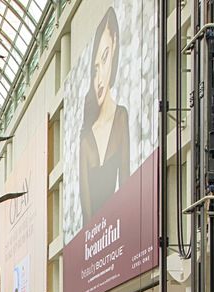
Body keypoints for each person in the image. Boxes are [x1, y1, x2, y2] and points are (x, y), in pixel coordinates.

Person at [79, 7, 129, 224]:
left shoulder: (121, 117)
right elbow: (85, 207)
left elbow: (126, 184)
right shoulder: (86, 137)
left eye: (106, 58)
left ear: (116, 47)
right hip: (95, 244)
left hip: (117, 232)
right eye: (95, 68)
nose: (99, 78)